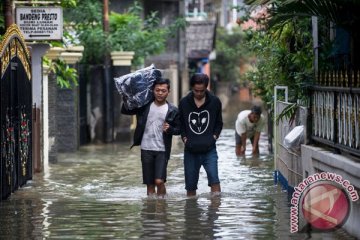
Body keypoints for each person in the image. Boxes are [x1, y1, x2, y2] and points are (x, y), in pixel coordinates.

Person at [121, 78, 180, 196]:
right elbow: (126, 110)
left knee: (159, 181)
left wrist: (170, 129)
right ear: (153, 90)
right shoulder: (144, 106)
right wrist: (126, 96)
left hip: (162, 150)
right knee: (150, 185)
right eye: (157, 90)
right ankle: (151, 210)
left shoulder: (173, 110)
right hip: (146, 149)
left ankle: (162, 205)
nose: (160, 93)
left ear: (168, 92)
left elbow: (180, 130)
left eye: (163, 90)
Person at [178, 73, 223, 197]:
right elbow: (181, 123)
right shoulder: (184, 103)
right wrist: (185, 138)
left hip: (209, 150)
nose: (198, 93)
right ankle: (192, 213)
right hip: (190, 151)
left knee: (215, 181)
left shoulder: (215, 101)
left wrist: (214, 137)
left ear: (206, 88)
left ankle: (215, 213)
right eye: (196, 90)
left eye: (201, 91)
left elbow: (219, 123)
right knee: (190, 187)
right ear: (192, 88)